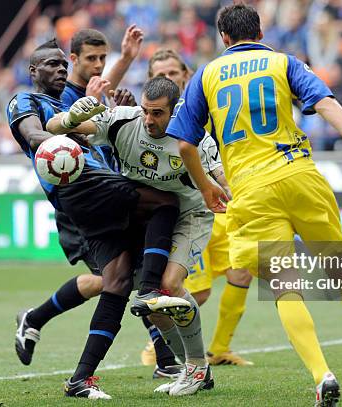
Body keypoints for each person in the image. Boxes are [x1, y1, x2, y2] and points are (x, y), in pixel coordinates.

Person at [166, 4, 342, 407]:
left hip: (251, 190)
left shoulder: (207, 75)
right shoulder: (283, 62)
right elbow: (325, 100)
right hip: (299, 176)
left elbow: (184, 143)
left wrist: (208, 185)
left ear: (223, 37)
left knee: (286, 287)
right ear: (260, 32)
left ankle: (323, 375)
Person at [6, 39, 189, 400]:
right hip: (81, 188)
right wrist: (67, 140)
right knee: (163, 205)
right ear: (33, 72)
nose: (60, 70)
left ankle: (81, 378)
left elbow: (98, 98)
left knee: (118, 280)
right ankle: (160, 328)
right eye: (51, 65)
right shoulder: (26, 101)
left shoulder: (71, 100)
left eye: (63, 65)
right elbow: (33, 134)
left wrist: (113, 111)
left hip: (100, 192)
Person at [46, 76, 223, 396]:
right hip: (144, 217)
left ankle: (195, 367)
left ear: (175, 111)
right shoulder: (122, 122)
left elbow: (219, 177)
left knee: (169, 286)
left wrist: (229, 190)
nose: (148, 120)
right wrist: (72, 117)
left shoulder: (195, 136)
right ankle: (197, 370)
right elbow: (53, 127)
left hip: (189, 216)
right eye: (145, 111)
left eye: (157, 114)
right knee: (154, 304)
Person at [144, 49, 254, 367]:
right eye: (159, 75)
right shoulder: (153, 119)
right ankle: (161, 345)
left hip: (221, 201)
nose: (167, 78)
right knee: (197, 292)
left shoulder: (203, 104)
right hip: (190, 209)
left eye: (172, 73)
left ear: (186, 74)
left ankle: (220, 348)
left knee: (242, 270)